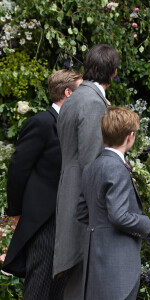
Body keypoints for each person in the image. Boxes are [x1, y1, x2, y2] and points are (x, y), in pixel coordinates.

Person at [2, 69, 83, 300]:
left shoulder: (74, 126)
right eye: (81, 89)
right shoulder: (41, 123)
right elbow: (18, 170)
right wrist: (17, 212)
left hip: (67, 219)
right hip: (43, 221)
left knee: (60, 286)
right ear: (68, 93)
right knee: (38, 286)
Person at [53, 44, 120, 300]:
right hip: (83, 202)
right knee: (85, 281)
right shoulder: (92, 103)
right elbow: (93, 164)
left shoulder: (75, 98)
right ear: (113, 72)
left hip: (70, 191)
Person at [77, 106, 150, 300]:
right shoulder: (116, 168)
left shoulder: (91, 167)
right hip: (116, 263)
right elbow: (119, 216)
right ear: (130, 136)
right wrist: (145, 223)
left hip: (95, 258)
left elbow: (82, 211)